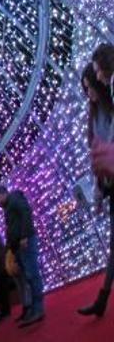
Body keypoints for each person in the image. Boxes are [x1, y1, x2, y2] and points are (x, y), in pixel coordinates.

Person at [79, 51, 114, 317]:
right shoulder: (94, 115)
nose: (88, 92)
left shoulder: (109, 107)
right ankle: (102, 297)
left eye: (89, 86)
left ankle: (102, 297)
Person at [0, 185, 44, 327]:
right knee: (28, 277)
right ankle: (33, 309)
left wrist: (24, 236)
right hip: (18, 247)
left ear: (4, 193)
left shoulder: (15, 199)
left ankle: (38, 309)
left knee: (32, 275)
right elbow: (12, 228)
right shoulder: (8, 206)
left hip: (25, 243)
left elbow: (26, 213)